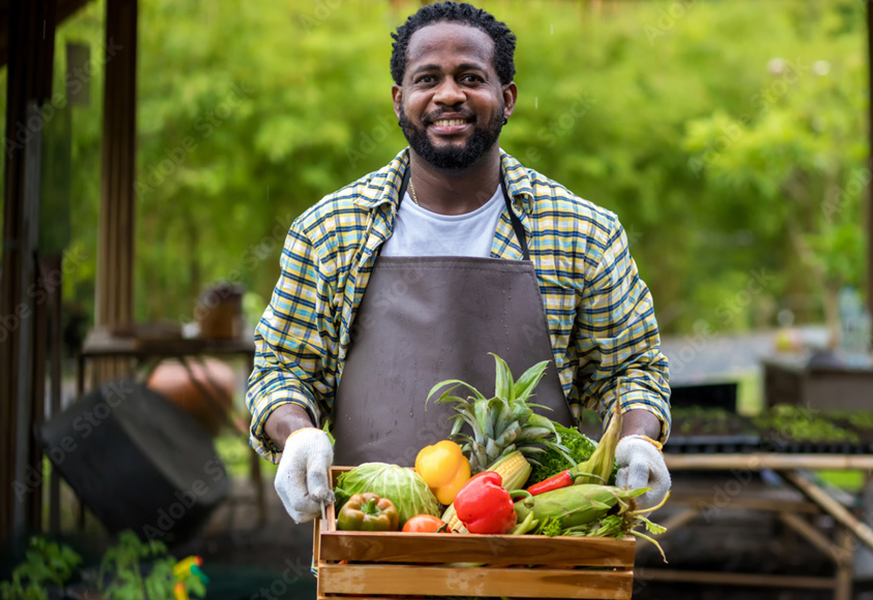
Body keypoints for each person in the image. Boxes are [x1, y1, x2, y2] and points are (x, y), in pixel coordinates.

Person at [247, 1, 672, 524]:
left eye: (470, 77)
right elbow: (282, 368)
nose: (449, 94)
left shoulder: (582, 232)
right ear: (400, 100)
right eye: (428, 78)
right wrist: (298, 434)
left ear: (507, 97)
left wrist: (636, 440)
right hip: (370, 533)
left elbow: (630, 369)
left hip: (537, 539)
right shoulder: (330, 231)